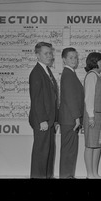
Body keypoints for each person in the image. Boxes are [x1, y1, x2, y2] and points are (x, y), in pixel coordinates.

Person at [28, 42, 58, 178]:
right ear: (37, 55)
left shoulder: (47, 70)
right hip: (43, 121)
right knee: (41, 154)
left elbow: (52, 98)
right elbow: (37, 99)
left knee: (48, 154)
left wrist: (55, 119)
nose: (50, 56)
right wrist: (42, 120)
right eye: (46, 53)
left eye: (50, 53)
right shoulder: (36, 73)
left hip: (49, 120)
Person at [58, 47, 84, 179]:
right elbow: (70, 98)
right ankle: (66, 176)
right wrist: (77, 117)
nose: (74, 60)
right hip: (70, 119)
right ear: (64, 60)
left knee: (70, 151)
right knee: (68, 151)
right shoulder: (68, 74)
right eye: (71, 57)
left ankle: (68, 176)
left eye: (75, 57)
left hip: (70, 119)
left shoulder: (71, 73)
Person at [83, 52, 101, 179]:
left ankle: (95, 173)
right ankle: (89, 174)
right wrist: (91, 116)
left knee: (97, 145)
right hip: (92, 115)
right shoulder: (91, 76)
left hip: (99, 115)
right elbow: (89, 97)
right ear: (95, 62)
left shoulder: (97, 76)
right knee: (90, 145)